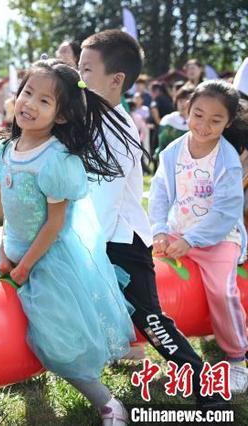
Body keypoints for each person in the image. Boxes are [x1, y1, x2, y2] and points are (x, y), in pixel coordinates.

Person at [79, 29, 228, 408]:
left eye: (85, 70)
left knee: (150, 319)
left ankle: (203, 386)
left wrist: (84, 244)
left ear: (116, 81)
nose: (79, 78)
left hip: (121, 242)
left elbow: (107, 201)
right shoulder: (94, 117)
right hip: (99, 237)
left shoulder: (119, 132)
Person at [0, 58, 136, 425]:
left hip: (48, 258)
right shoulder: (7, 150)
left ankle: (108, 402)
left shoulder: (55, 160)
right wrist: (5, 249)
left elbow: (54, 225)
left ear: (62, 116)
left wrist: (24, 266)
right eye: (27, 92)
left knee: (59, 340)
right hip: (11, 248)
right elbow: (9, 208)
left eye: (44, 101)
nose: (29, 103)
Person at [150, 80, 248, 394]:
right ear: (187, 110)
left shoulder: (227, 159)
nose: (203, 125)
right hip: (178, 231)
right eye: (198, 115)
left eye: (215, 120)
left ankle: (236, 356)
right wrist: (160, 231)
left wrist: (192, 241)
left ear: (228, 122)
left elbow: (226, 211)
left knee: (221, 290)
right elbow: (160, 194)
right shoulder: (172, 151)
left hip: (219, 238)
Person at [154, 86, 193, 161]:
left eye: (187, 100)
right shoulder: (168, 120)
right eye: (180, 100)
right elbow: (162, 145)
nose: (183, 104)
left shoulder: (198, 123)